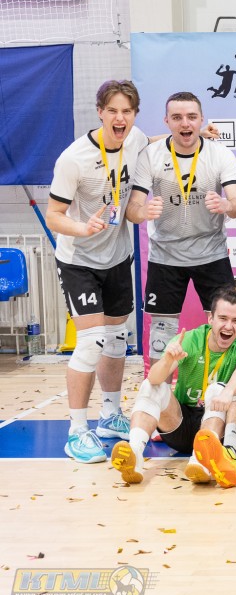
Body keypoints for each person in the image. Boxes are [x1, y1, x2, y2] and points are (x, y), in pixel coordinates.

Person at [46, 80, 149, 463]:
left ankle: (110, 414)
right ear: (100, 112)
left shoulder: (135, 139)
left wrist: (194, 132)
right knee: (91, 342)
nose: (120, 118)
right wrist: (83, 227)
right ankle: (76, 431)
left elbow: (153, 141)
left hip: (117, 257)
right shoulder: (73, 159)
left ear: (134, 115)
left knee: (117, 338)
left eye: (127, 111)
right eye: (113, 111)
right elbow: (54, 216)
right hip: (79, 261)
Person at [127, 92, 236, 362]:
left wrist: (226, 205)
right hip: (165, 257)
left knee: (226, 328)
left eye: (191, 117)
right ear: (166, 121)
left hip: (212, 254)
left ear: (201, 119)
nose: (185, 123)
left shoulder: (219, 154)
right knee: (161, 337)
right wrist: (142, 211)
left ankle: (222, 385)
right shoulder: (151, 155)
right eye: (177, 117)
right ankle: (158, 388)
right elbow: (132, 210)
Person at [110, 286, 236, 488]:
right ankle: (134, 453)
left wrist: (228, 392)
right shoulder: (191, 339)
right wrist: (167, 360)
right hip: (180, 424)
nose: (228, 326)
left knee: (217, 389)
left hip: (217, 428)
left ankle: (202, 461)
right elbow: (154, 378)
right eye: (223, 318)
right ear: (211, 319)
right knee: (151, 386)